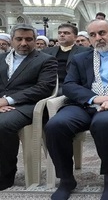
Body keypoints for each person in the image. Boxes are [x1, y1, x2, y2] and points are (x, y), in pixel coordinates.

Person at [44, 19, 108, 200]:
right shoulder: (79, 58)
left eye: (102, 33)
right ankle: (66, 179)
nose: (98, 38)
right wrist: (95, 98)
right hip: (84, 105)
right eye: (92, 35)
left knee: (103, 124)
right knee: (55, 125)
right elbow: (69, 85)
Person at [0, 24, 57, 190]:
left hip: (27, 105)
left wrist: (8, 100)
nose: (23, 43)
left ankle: (5, 175)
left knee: (2, 124)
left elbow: (43, 88)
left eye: (28, 39)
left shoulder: (45, 60)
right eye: (19, 39)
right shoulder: (1, 58)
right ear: (12, 40)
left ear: (35, 41)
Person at [43, 23, 91, 95]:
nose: (62, 35)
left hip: (72, 86)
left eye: (66, 33)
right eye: (59, 33)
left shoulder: (85, 52)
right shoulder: (46, 52)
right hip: (48, 85)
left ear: (75, 37)